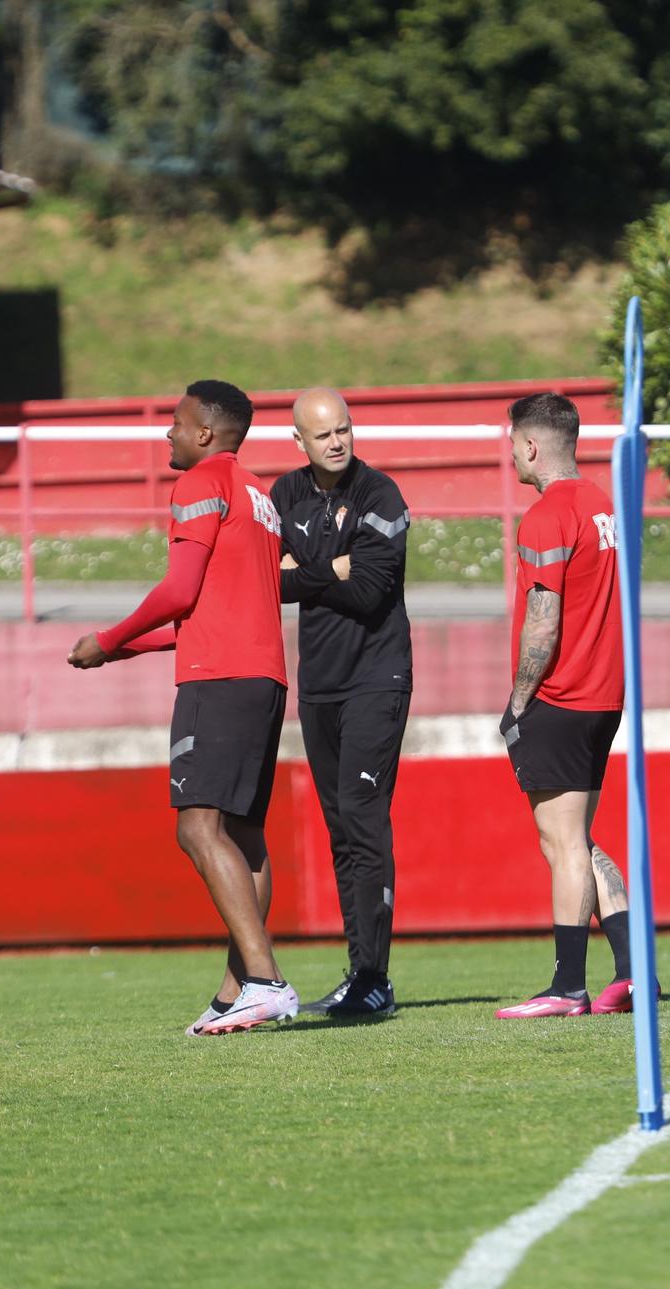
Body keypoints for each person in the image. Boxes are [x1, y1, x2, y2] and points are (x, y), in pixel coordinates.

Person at [68, 380, 298, 1035]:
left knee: (196, 827)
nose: (167, 433)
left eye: (175, 422)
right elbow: (209, 607)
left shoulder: (200, 484)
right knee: (245, 835)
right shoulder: (260, 495)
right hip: (265, 678)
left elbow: (179, 589)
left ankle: (266, 979)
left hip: (218, 679)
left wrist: (108, 635)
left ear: (204, 433)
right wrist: (119, 651)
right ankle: (236, 992)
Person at [493, 391, 640, 1019]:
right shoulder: (601, 503)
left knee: (563, 846)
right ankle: (632, 975)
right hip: (604, 695)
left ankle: (567, 986)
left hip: (561, 695)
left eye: (512, 443)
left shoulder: (546, 516)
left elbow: (543, 623)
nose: (511, 454)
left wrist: (518, 702)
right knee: (580, 839)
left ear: (529, 445)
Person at [272, 387, 412, 1018]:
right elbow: (264, 582)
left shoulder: (381, 496)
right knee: (340, 830)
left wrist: (305, 573)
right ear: (298, 441)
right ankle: (359, 971)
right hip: (319, 685)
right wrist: (336, 567)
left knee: (363, 814)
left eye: (344, 430)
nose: (337, 441)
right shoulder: (284, 497)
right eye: (323, 433)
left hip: (376, 680)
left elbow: (372, 591)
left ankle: (376, 977)